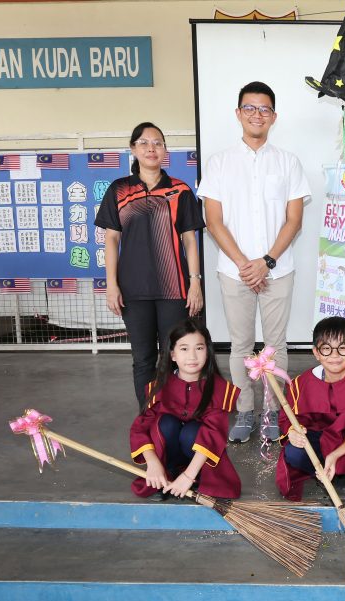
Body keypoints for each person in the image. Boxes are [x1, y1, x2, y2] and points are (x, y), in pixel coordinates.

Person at [198, 81, 311, 444]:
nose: (257, 114)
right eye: (250, 108)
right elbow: (213, 220)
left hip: (278, 269)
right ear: (238, 113)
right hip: (234, 273)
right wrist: (246, 264)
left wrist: (266, 261)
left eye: (264, 109)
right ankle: (245, 411)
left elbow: (294, 219)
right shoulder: (219, 162)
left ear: (274, 117)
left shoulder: (288, 161)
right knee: (241, 346)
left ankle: (273, 413)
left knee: (275, 345)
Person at [96, 122, 204, 407]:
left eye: (157, 142)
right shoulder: (119, 190)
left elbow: (190, 240)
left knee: (176, 356)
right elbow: (110, 240)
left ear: (165, 149)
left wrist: (195, 282)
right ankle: (149, 416)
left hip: (174, 289)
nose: (151, 148)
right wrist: (111, 285)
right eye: (144, 143)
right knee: (143, 359)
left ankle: (176, 414)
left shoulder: (180, 190)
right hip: (133, 290)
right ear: (133, 149)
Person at [276, 317, 345, 501]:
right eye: (326, 348)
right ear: (316, 352)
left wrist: (335, 455)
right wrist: (292, 431)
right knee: (294, 453)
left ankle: (333, 468)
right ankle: (324, 469)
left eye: (343, 348)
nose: (334, 355)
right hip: (319, 439)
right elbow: (288, 417)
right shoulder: (301, 383)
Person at [129, 319, 241, 501]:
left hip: (201, 460)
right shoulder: (159, 387)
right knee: (165, 424)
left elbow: (213, 433)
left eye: (199, 348)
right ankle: (166, 473)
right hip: (167, 456)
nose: (192, 356)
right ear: (172, 355)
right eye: (184, 349)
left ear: (208, 351)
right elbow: (139, 429)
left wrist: (189, 475)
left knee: (192, 431)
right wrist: (153, 463)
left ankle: (197, 477)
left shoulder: (220, 389)